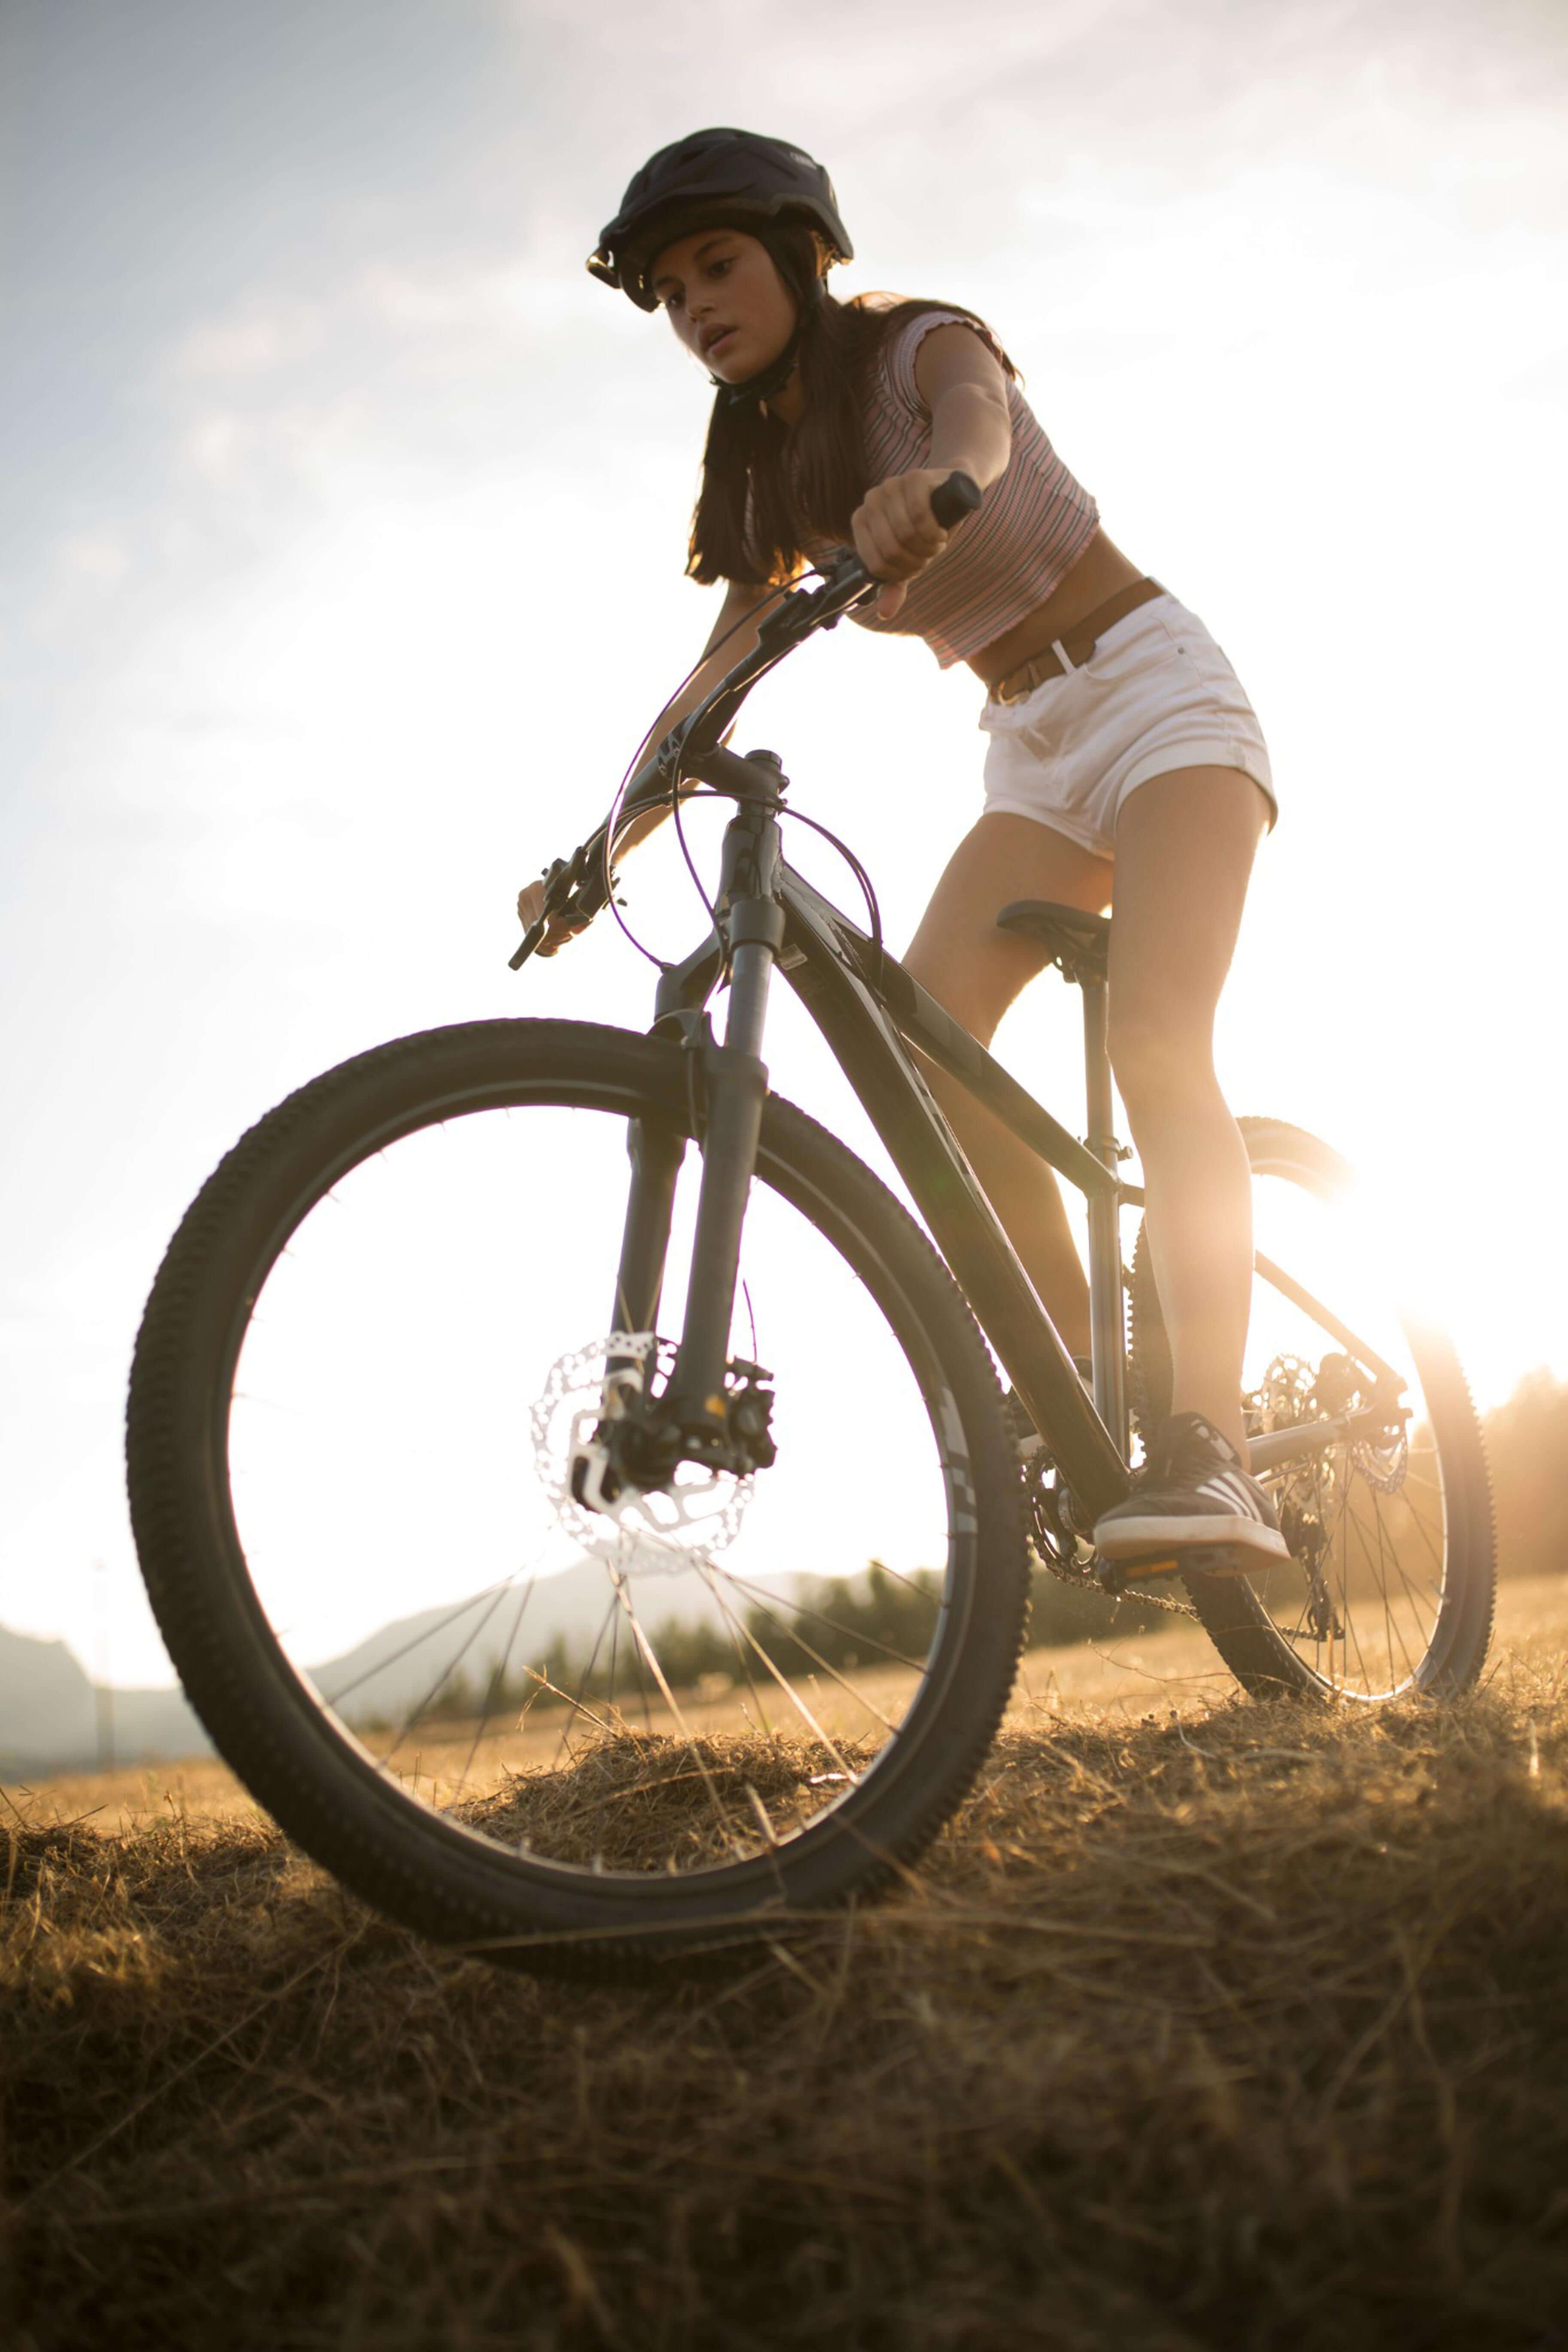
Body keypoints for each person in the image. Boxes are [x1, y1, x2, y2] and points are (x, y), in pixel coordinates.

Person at [518, 127, 1288, 1569]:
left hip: (1154, 691)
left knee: (1156, 1043)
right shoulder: (767, 472)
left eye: (718, 267)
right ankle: (1092, 1381)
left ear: (800, 256)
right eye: (672, 295)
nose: (696, 306)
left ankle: (1212, 1448)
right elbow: (717, 669)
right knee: (930, 1055)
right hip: (1029, 747)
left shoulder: (914, 346)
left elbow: (978, 423)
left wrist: (936, 483)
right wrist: (603, 841)